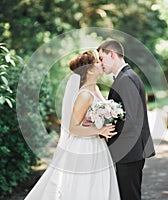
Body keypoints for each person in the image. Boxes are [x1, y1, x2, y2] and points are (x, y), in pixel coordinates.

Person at [24, 50, 121, 200]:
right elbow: (73, 128)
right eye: (97, 61)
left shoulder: (94, 89)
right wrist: (99, 130)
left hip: (97, 144)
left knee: (97, 187)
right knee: (85, 188)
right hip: (85, 146)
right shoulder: (84, 95)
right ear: (89, 70)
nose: (101, 63)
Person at [97, 39, 155, 200]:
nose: (100, 63)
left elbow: (130, 119)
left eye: (102, 58)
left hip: (129, 151)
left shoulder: (126, 79)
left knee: (129, 196)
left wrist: (105, 132)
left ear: (112, 54)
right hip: (129, 150)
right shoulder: (125, 77)